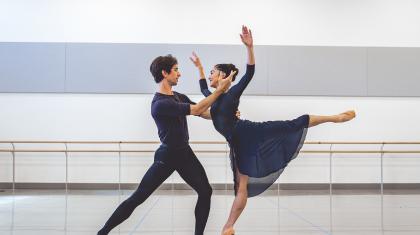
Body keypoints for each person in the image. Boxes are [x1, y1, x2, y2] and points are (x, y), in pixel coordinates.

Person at [190, 25, 356, 235]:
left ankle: (335, 117)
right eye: (211, 73)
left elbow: (249, 73)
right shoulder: (212, 98)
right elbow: (203, 86)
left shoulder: (231, 95)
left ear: (222, 75)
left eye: (214, 72)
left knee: (291, 124)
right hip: (238, 144)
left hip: (249, 133)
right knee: (241, 186)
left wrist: (250, 47)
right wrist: (200, 68)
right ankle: (229, 226)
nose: (211, 75)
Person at [98, 54, 235, 235]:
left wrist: (228, 115)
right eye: (176, 70)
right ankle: (102, 233)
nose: (179, 74)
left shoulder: (178, 96)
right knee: (138, 198)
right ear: (165, 73)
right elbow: (196, 109)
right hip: (167, 156)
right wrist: (218, 91)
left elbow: (203, 113)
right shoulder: (160, 104)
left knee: (205, 191)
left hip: (184, 153)